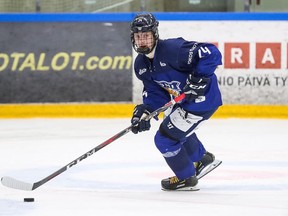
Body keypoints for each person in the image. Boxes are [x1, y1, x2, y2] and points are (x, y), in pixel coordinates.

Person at [130, 12, 222, 191]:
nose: (142, 41)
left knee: (164, 139)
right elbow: (156, 94)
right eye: (138, 37)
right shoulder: (141, 65)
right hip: (185, 102)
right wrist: (146, 111)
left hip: (202, 101)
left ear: (155, 35)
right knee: (173, 127)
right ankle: (202, 159)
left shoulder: (174, 50)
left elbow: (212, 53)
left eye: (146, 36)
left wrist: (199, 78)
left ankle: (187, 178)